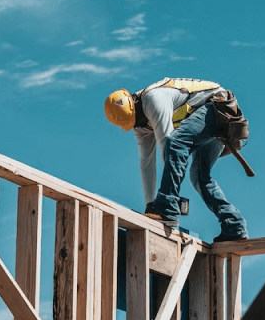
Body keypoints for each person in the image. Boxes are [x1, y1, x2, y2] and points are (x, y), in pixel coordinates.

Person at [104, 77, 248, 242]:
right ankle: (234, 225)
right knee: (199, 176)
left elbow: (168, 146)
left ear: (134, 103)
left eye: (137, 119)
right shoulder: (140, 125)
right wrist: (150, 204)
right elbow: (147, 163)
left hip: (218, 107)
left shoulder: (153, 99)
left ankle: (167, 206)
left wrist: (167, 202)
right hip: (208, 117)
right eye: (134, 123)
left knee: (175, 142)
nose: (139, 125)